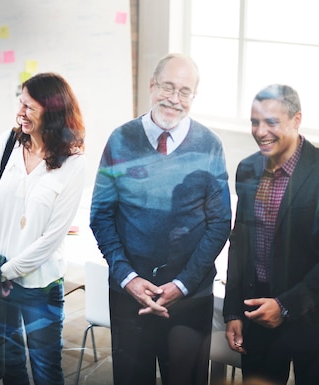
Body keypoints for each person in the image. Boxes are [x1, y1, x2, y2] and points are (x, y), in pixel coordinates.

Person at [89, 53, 232, 385]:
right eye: (167, 86)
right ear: (152, 86)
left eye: (185, 91)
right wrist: (127, 278)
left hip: (190, 299)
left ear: (193, 97)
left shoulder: (210, 145)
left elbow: (220, 223)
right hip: (129, 296)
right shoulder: (120, 139)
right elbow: (101, 215)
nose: (174, 98)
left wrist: (181, 285)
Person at [0, 72, 86, 385]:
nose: (20, 113)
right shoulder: (9, 142)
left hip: (41, 286)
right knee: (11, 369)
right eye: (20, 103)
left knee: (46, 370)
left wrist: (3, 274)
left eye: (30, 107)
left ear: (52, 113)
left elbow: (51, 239)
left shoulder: (72, 164)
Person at [223, 84, 319, 385]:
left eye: (271, 122)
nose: (260, 131)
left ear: (296, 119)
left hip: (311, 317)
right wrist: (233, 312)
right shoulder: (248, 169)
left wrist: (286, 305)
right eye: (255, 122)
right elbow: (239, 244)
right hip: (257, 314)